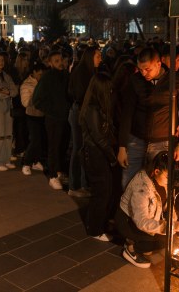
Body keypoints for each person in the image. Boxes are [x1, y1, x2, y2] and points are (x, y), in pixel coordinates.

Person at [117, 47, 179, 189]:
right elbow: (127, 114)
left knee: (160, 185)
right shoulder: (135, 81)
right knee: (128, 183)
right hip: (136, 140)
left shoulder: (176, 80)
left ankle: (158, 210)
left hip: (163, 142)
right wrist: (122, 146)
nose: (144, 73)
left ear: (159, 64)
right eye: (140, 69)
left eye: (147, 69)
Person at [116, 151, 179, 268]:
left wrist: (174, 220)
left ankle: (143, 242)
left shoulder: (163, 181)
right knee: (165, 241)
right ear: (156, 171)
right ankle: (131, 248)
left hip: (148, 218)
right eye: (168, 176)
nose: (170, 180)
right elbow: (141, 221)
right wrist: (170, 227)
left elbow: (168, 205)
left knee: (170, 236)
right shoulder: (141, 188)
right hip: (128, 221)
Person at [79, 72, 119, 242]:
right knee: (101, 192)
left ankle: (99, 223)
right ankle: (94, 228)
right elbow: (99, 137)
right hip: (95, 154)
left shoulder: (96, 107)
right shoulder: (92, 109)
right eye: (108, 90)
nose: (111, 92)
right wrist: (112, 157)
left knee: (106, 190)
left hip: (98, 152)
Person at [33, 48, 71, 190]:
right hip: (53, 118)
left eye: (61, 60)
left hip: (65, 117)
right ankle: (53, 175)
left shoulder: (65, 75)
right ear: (50, 63)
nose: (60, 63)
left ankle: (59, 171)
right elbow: (37, 100)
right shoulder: (47, 78)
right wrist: (52, 110)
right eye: (56, 61)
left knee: (63, 146)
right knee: (54, 147)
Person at [67, 44, 102, 197]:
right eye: (98, 56)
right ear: (90, 57)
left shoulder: (90, 71)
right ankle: (74, 186)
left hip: (84, 111)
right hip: (80, 112)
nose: (100, 59)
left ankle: (83, 183)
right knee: (78, 147)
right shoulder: (82, 73)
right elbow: (80, 95)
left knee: (83, 148)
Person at [20, 61, 47, 176]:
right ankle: (26, 163)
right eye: (40, 74)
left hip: (43, 114)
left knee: (40, 140)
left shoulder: (43, 82)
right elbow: (25, 102)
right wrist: (38, 97)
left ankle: (35, 161)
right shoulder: (27, 84)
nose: (42, 77)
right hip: (32, 115)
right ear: (34, 72)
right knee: (35, 140)